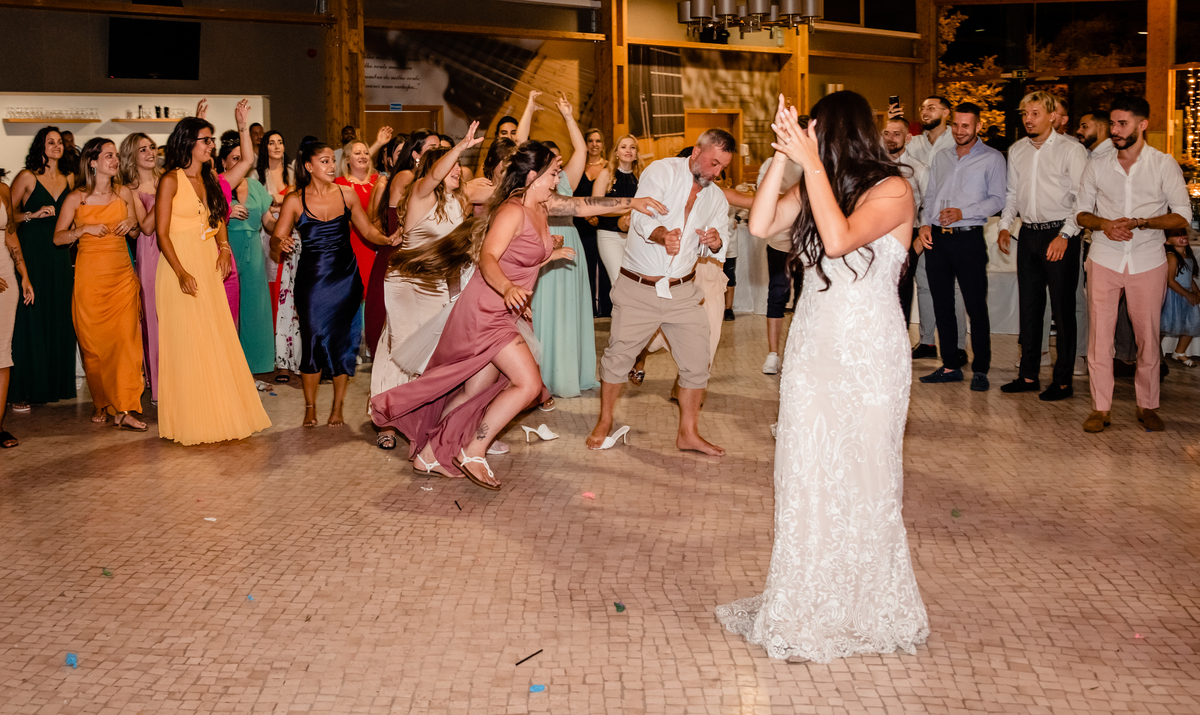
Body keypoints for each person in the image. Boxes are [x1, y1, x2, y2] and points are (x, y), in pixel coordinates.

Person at [716, 91, 928, 663]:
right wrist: (783, 158)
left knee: (865, 473)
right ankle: (804, 597)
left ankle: (865, 602)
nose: (810, 141)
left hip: (869, 353)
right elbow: (759, 225)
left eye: (812, 132)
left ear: (838, 133)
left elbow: (839, 240)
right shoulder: (811, 188)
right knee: (805, 472)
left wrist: (809, 166)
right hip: (812, 351)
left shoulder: (893, 189)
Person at [372, 142, 663, 489]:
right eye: (554, 172)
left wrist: (633, 203)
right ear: (532, 176)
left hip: (505, 311)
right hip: (487, 309)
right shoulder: (513, 210)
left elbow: (585, 206)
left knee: (474, 391)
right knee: (528, 384)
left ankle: (430, 453)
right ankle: (473, 450)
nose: (558, 178)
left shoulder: (543, 204)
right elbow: (489, 258)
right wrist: (509, 288)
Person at [586, 129, 733, 457]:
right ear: (696, 152)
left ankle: (688, 433)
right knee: (618, 358)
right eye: (713, 163)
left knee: (697, 364)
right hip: (638, 287)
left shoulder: (715, 196)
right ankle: (605, 420)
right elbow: (640, 217)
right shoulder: (662, 171)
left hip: (682, 292)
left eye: (722, 167)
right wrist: (663, 234)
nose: (716, 172)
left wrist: (715, 242)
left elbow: (723, 239)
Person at [1076, 95, 1192, 433]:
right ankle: (1100, 408)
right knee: (1099, 338)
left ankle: (1148, 405)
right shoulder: (1097, 164)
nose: (1114, 130)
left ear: (1142, 125)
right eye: (1112, 123)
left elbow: (1182, 213)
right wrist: (1104, 224)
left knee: (1147, 337)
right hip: (1104, 257)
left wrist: (1143, 222)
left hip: (1148, 260)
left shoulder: (1163, 164)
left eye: (1122, 123)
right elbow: (1081, 212)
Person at [154, 118, 272, 445]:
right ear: (189, 142)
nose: (211, 146)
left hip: (208, 263)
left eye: (212, 140)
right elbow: (161, 234)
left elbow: (217, 217)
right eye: (206, 140)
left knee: (216, 337)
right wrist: (180, 271)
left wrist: (223, 248)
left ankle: (218, 411)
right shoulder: (170, 181)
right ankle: (190, 419)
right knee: (187, 343)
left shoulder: (208, 178)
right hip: (179, 267)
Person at [271, 142, 398, 427]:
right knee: (313, 341)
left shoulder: (347, 194)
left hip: (346, 278)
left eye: (332, 161)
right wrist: (283, 241)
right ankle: (310, 406)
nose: (331, 166)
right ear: (309, 166)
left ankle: (338, 407)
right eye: (325, 161)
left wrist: (388, 240)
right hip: (312, 281)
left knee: (345, 343)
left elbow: (366, 231)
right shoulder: (295, 199)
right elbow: (275, 239)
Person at [370, 129, 481, 449]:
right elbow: (432, 174)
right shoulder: (419, 192)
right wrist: (460, 146)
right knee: (400, 350)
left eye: (460, 166)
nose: (458, 170)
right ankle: (386, 420)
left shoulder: (459, 203)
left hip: (436, 285)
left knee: (431, 355)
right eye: (453, 166)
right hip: (406, 283)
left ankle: (421, 417)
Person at [997, 91, 1089, 401]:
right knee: (1030, 308)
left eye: (1035, 113)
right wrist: (1004, 225)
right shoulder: (1018, 150)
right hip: (1029, 234)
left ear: (1052, 115)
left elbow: (1082, 199)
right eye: (1025, 113)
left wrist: (1065, 236)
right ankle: (1028, 375)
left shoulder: (1071, 150)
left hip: (1060, 234)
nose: (1028, 119)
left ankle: (1063, 381)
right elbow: (1011, 194)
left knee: (1063, 311)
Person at [53, 138, 147, 430]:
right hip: (90, 280)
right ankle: (101, 401)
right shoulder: (75, 198)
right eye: (108, 155)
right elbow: (57, 237)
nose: (114, 160)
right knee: (94, 348)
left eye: (116, 155)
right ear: (92, 162)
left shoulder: (124, 193)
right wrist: (83, 229)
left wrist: (130, 224)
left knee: (127, 344)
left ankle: (125, 408)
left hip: (121, 276)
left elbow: (135, 231)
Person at [516, 91, 600, 401]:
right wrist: (529, 107)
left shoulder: (566, 179)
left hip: (569, 246)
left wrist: (567, 115)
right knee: (542, 311)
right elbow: (520, 147)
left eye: (558, 159)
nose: (557, 163)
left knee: (568, 312)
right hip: (541, 245)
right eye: (551, 160)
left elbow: (580, 147)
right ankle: (541, 377)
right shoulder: (534, 184)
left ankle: (569, 373)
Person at [918, 102, 1006, 392]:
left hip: (969, 238)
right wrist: (925, 223)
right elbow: (930, 195)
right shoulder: (941, 157)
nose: (959, 130)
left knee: (975, 307)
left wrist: (963, 212)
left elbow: (997, 200)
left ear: (978, 126)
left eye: (966, 125)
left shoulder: (993, 159)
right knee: (942, 305)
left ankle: (980, 370)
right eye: (955, 125)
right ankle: (950, 365)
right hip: (938, 240)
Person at [8, 127, 76, 411]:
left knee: (59, 314)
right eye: (50, 142)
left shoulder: (70, 178)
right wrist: (31, 214)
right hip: (32, 252)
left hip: (60, 256)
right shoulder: (27, 177)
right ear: (41, 146)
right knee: (31, 318)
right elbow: (6, 215)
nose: (56, 146)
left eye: (59, 142)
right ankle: (23, 388)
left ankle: (55, 384)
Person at [367, 130, 440, 354]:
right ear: (416, 154)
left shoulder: (426, 180)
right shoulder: (407, 177)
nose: (440, 153)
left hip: (416, 255)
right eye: (433, 148)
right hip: (400, 256)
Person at [218, 101, 275, 376]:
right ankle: (227, 366)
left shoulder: (255, 187)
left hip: (253, 254)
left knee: (255, 310)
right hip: (224, 252)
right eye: (234, 159)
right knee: (227, 311)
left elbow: (268, 222)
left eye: (244, 158)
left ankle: (256, 365)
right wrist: (226, 214)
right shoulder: (215, 185)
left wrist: (286, 225)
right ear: (224, 163)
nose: (240, 163)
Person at [118, 133, 163, 403]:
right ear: (132, 157)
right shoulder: (130, 189)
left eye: (152, 147)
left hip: (177, 250)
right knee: (154, 323)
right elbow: (143, 227)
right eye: (142, 149)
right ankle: (159, 388)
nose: (149, 153)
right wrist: (165, 196)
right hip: (150, 255)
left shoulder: (168, 179)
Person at [0, 175, 34, 447]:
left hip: (5, 277)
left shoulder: (2, 189)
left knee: (2, 353)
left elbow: (10, 232)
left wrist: (23, 274)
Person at [335, 138, 381, 293]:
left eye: (366, 153)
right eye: (357, 153)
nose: (363, 156)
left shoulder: (379, 181)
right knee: (358, 287)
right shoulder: (339, 184)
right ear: (347, 159)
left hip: (378, 240)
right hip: (353, 241)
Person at [574, 128, 611, 317]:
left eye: (598, 141)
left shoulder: (609, 167)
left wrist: (596, 215)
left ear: (603, 145)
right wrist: (586, 215)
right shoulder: (578, 166)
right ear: (586, 144)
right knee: (583, 267)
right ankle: (586, 309)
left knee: (604, 266)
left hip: (602, 223)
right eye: (590, 141)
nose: (594, 145)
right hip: (579, 224)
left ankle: (605, 308)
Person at [1162, 229, 1200, 365]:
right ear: (1167, 241)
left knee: (1192, 323)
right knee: (1165, 324)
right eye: (1176, 235)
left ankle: (1179, 352)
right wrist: (1187, 294)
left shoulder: (1189, 257)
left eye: (1184, 234)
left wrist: (1196, 291)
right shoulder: (1171, 256)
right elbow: (1170, 281)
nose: (1182, 237)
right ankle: (1154, 352)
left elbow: (1189, 278)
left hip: (1187, 294)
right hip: (1174, 296)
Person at [904, 96, 954, 167]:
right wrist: (892, 124)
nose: (924, 112)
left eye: (931, 108)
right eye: (922, 109)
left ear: (945, 113)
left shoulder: (957, 142)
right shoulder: (911, 142)